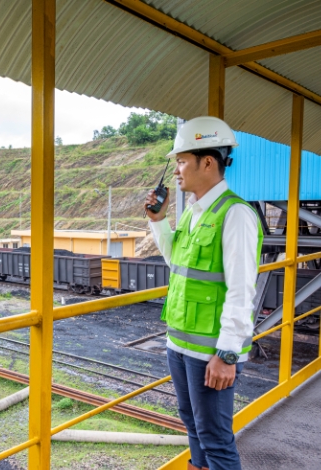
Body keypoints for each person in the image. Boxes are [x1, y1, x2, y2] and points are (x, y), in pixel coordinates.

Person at [144, 116, 263, 470]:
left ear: (207, 162)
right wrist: (158, 220)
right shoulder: (195, 212)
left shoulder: (235, 214)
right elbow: (175, 261)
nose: (177, 170)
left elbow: (242, 290)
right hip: (180, 345)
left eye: (181, 161)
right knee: (193, 427)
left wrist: (227, 354)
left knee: (215, 437)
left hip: (211, 350)